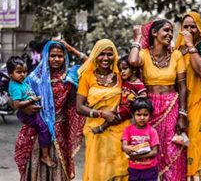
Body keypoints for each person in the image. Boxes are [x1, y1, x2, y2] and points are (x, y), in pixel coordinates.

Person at [14, 41, 85, 181]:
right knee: (36, 167)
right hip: (37, 132)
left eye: (60, 56)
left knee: (58, 167)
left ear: (65, 57)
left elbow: (92, 63)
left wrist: (71, 48)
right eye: (52, 55)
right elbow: (14, 97)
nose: (56, 59)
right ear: (45, 56)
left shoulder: (70, 76)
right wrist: (23, 107)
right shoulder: (34, 78)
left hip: (60, 133)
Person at [129, 19, 188, 180]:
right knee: (150, 149)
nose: (170, 34)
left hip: (171, 107)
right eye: (166, 30)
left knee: (172, 152)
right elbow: (132, 61)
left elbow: (182, 87)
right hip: (150, 109)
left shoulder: (176, 55)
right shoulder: (144, 54)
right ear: (154, 33)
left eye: (171, 31)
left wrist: (183, 114)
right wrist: (137, 38)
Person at [76, 39, 130, 180]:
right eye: (101, 54)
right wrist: (102, 113)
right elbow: (79, 107)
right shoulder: (87, 76)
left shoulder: (121, 76)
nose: (105, 58)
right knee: (98, 170)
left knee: (118, 169)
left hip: (119, 128)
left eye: (109, 54)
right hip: (96, 130)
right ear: (95, 55)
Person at [175, 11, 201, 180]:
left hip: (198, 103)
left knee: (197, 147)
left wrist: (191, 45)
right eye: (186, 26)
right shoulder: (177, 49)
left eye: (194, 26)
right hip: (178, 105)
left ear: (200, 28)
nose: (190, 29)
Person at [7, 56, 56, 168]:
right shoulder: (16, 87)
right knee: (43, 128)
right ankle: (45, 155)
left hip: (35, 111)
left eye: (25, 72)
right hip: (29, 114)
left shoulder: (22, 81)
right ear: (10, 74)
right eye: (19, 72)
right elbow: (16, 104)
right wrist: (31, 101)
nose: (23, 75)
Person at [91, 55, 147, 134]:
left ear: (134, 70)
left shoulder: (138, 83)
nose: (122, 72)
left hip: (128, 109)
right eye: (120, 70)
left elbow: (144, 94)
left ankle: (102, 127)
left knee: (116, 117)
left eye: (125, 69)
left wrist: (136, 99)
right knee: (112, 113)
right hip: (121, 105)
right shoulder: (124, 81)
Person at [122, 97, 159, 181]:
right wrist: (126, 148)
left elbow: (154, 152)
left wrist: (137, 156)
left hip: (150, 169)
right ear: (133, 115)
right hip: (134, 169)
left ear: (150, 115)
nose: (142, 118)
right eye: (138, 115)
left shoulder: (152, 131)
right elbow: (124, 145)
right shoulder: (128, 130)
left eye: (145, 115)